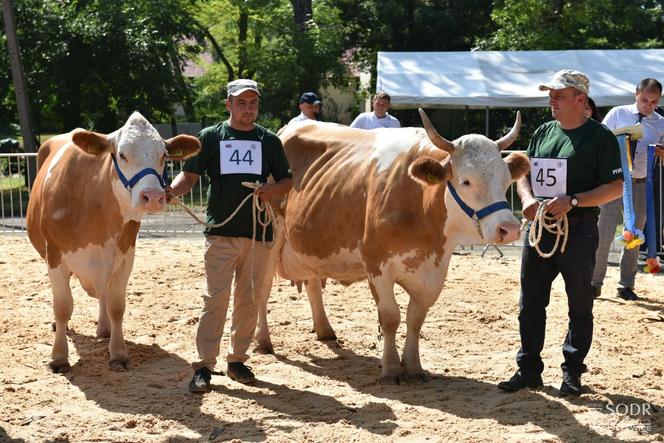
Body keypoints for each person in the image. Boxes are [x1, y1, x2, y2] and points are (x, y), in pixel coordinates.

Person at [498, 70, 623, 397]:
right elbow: (522, 169)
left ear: (580, 99)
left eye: (558, 94)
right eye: (550, 94)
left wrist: (575, 201)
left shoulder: (601, 138)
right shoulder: (543, 132)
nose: (551, 99)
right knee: (530, 303)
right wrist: (525, 199)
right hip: (540, 229)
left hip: (579, 232)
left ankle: (572, 373)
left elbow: (615, 187)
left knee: (579, 304)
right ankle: (528, 371)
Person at [167, 79, 293, 393]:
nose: (247, 108)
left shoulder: (269, 141)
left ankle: (237, 360)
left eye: (252, 103)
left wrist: (270, 191)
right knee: (215, 299)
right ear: (229, 105)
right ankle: (204, 366)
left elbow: (287, 181)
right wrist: (170, 191)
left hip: (259, 233)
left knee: (249, 299)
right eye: (241, 103)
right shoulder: (210, 137)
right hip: (221, 233)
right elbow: (190, 176)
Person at [591, 78, 664, 301]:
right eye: (644, 100)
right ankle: (594, 282)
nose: (648, 106)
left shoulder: (661, 123)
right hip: (614, 182)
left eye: (653, 102)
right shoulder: (617, 113)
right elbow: (598, 142)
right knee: (603, 233)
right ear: (635, 94)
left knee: (635, 235)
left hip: (640, 183)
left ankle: (626, 285)